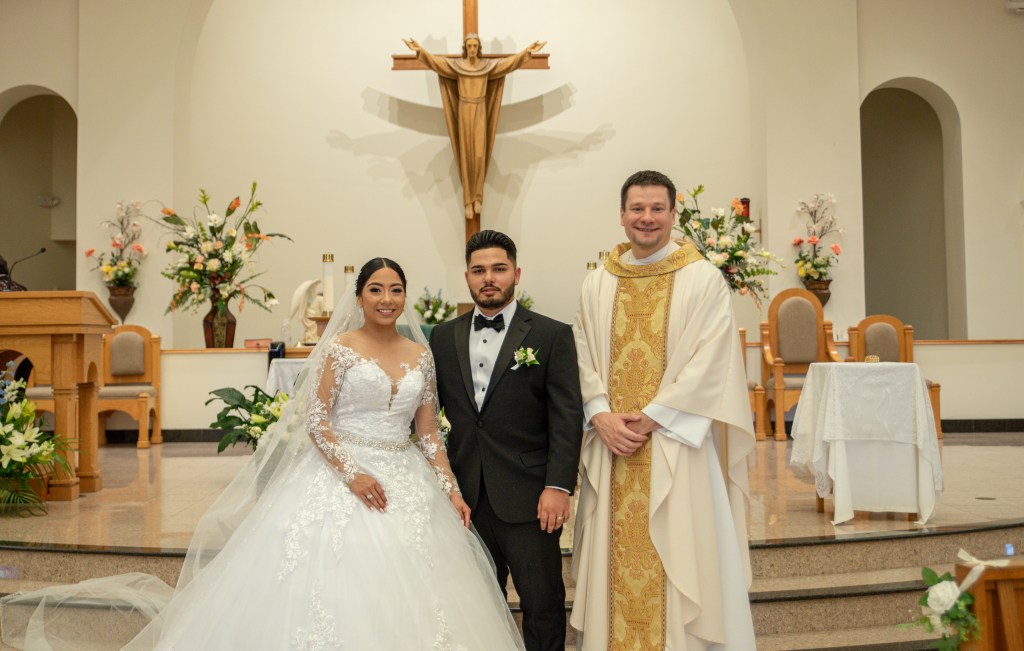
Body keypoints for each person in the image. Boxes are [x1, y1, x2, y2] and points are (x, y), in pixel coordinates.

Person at [0, 258, 526, 651]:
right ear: (360, 297)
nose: (386, 299)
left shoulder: (420, 354)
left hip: (407, 478)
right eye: (375, 289)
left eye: (395, 290)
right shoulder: (341, 347)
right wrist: (353, 475)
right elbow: (318, 422)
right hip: (344, 476)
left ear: (404, 297)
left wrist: (450, 490)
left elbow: (428, 431)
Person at [570, 171, 757, 649]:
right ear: (622, 215)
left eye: (657, 209)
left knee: (682, 555)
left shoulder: (702, 279)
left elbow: (713, 359)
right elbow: (580, 353)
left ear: (674, 215)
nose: (647, 218)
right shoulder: (597, 283)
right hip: (613, 448)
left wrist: (654, 416)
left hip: (678, 447)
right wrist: (600, 414)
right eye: (637, 208)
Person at [429, 230, 583, 651]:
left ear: (517, 273)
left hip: (530, 496)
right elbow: (429, 412)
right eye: (479, 270)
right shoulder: (441, 337)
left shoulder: (551, 335)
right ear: (467, 277)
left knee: (542, 603)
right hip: (465, 498)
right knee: (478, 606)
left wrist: (558, 486)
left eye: (498, 269)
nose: (489, 278)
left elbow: (567, 417)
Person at [403, 36, 545, 222]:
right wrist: (420, 51)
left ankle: (478, 197)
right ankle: (468, 201)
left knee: (478, 155)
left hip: (479, 109)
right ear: (465, 47)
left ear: (479, 48)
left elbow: (507, 64)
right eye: (469, 46)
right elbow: (437, 63)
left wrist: (526, 52)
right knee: (466, 154)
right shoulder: (457, 66)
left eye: (475, 46)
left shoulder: (487, 67)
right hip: (464, 109)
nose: (471, 49)